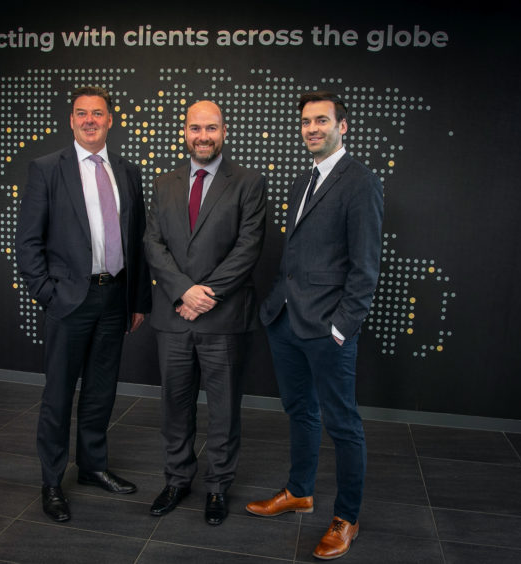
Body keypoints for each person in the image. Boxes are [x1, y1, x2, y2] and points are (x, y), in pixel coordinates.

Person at [246, 91, 383, 560]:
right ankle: (300, 492)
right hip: (285, 320)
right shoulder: (305, 181)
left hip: (328, 329)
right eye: (306, 122)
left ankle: (346, 518)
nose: (312, 129)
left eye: (322, 121)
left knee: (343, 424)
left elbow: (365, 268)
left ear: (343, 126)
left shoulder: (360, 182)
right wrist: (277, 308)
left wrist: (343, 326)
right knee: (300, 410)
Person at [17, 86, 151, 523]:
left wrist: (137, 299)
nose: (90, 120)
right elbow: (28, 243)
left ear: (112, 120)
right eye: (82, 114)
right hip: (69, 300)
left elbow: (138, 241)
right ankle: (52, 481)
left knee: (100, 390)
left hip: (115, 297)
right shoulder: (46, 169)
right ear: (71, 120)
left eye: (98, 113)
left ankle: (93, 466)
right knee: (58, 394)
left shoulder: (128, 172)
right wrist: (49, 296)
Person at [143, 100, 266, 525]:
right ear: (184, 132)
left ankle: (217, 487)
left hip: (224, 317)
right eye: (195, 128)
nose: (203, 136)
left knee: (224, 409)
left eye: (211, 128)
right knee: (175, 407)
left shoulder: (248, 182)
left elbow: (248, 246)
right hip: (174, 316)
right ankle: (177, 479)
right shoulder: (164, 183)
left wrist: (206, 293)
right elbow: (153, 244)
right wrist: (183, 292)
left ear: (224, 131)